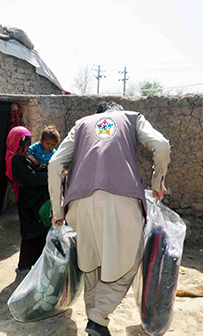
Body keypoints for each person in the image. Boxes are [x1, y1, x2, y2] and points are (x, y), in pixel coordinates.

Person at [48, 101, 170, 336]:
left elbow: (54, 164)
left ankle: (96, 321)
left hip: (78, 203)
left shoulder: (81, 124)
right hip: (121, 199)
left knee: (90, 264)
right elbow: (162, 145)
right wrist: (157, 182)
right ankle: (97, 318)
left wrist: (58, 211)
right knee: (128, 261)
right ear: (118, 112)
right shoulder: (133, 118)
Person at [6, 126, 50, 277]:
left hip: (34, 202)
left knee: (39, 234)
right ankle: (24, 266)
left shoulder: (22, 158)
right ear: (15, 144)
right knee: (30, 235)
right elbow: (32, 179)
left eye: (28, 145)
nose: (27, 148)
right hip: (29, 203)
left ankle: (35, 265)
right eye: (23, 145)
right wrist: (49, 174)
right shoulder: (16, 160)